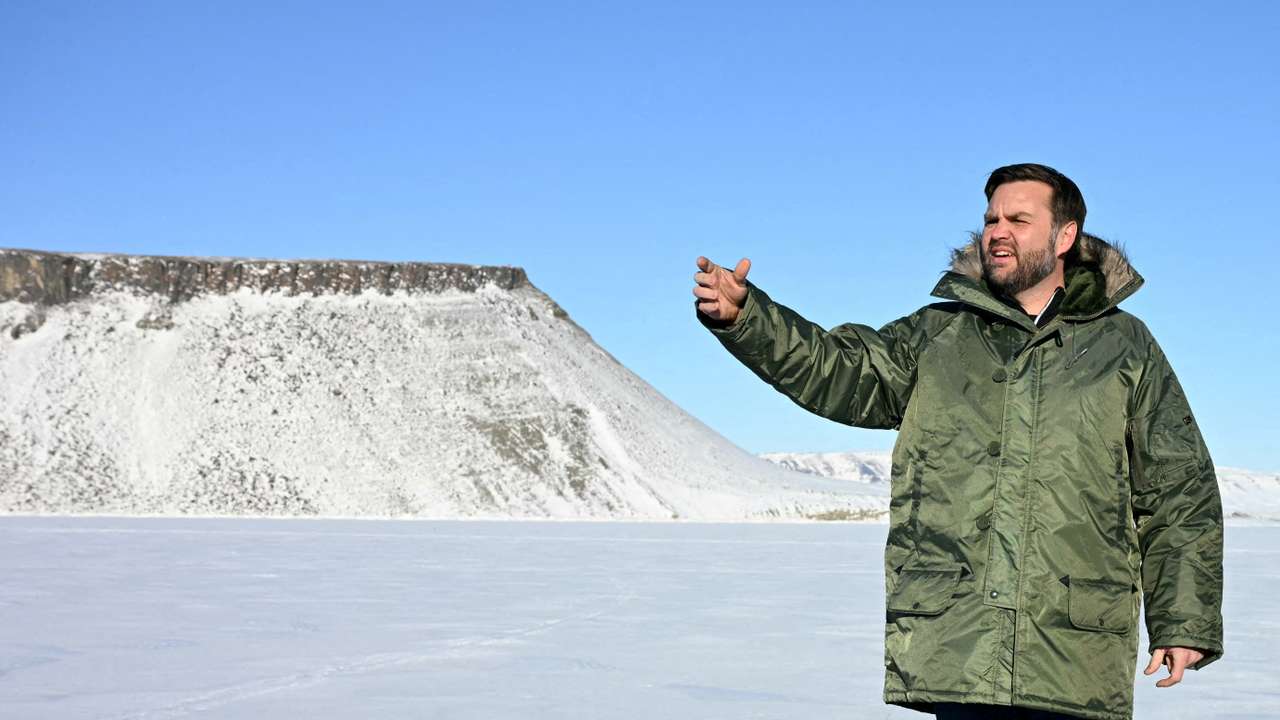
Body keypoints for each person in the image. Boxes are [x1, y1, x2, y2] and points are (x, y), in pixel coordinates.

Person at [692, 163, 1224, 720]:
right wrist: (747, 319)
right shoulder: (938, 333)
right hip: (958, 643)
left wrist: (1183, 620)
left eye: (1019, 218)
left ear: (1064, 236)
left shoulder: (1123, 345)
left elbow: (1178, 492)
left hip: (1073, 648)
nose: (997, 230)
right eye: (991, 217)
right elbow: (839, 372)